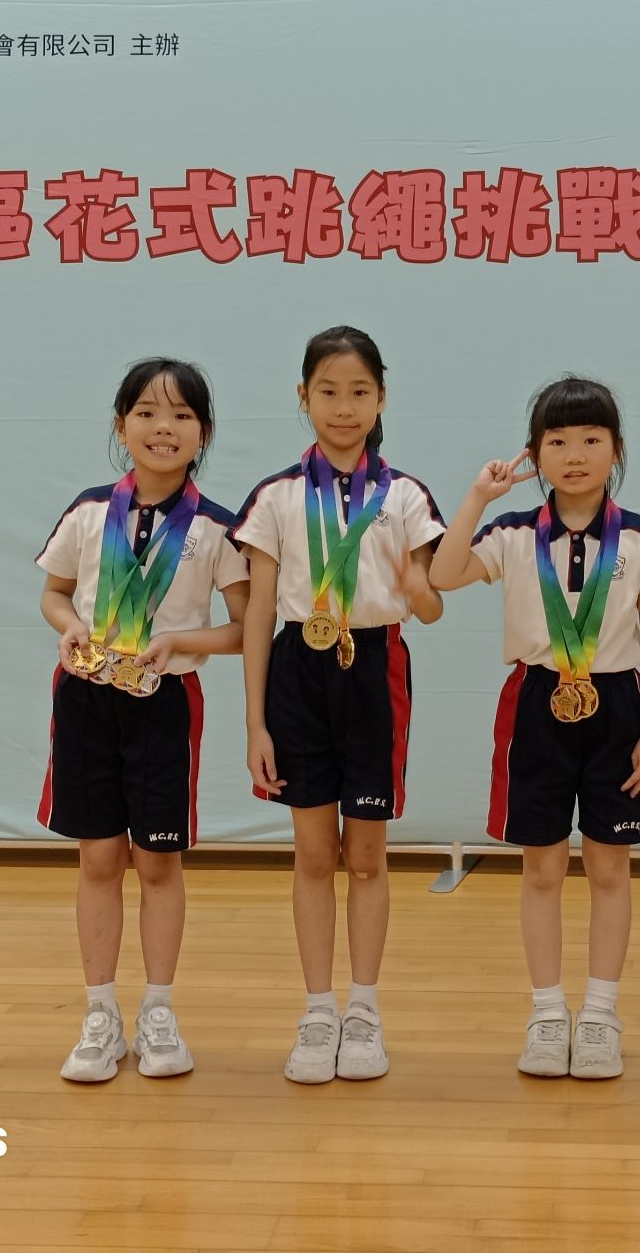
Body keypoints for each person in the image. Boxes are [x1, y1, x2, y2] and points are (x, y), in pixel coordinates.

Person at [429, 376, 640, 1080]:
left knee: (609, 867)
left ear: (616, 449)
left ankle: (599, 1014)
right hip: (536, 705)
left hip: (618, 707)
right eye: (557, 441)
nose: (574, 454)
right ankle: (545, 1012)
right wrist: (479, 496)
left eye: (591, 439)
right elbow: (443, 574)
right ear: (534, 453)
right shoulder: (512, 533)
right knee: (540, 868)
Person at [234, 326, 445, 1084]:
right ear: (303, 397)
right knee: (313, 852)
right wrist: (255, 722)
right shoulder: (276, 497)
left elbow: (429, 606)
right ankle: (318, 1009)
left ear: (381, 398)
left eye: (359, 392)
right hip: (298, 669)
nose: (344, 407)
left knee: (366, 854)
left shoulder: (406, 497)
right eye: (328, 391)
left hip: (375, 669)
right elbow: (259, 613)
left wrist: (420, 588)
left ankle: (364, 1009)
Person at [36, 357, 250, 1083]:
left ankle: (159, 1012)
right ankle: (100, 1016)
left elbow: (244, 629)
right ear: (121, 424)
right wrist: (69, 626)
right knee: (99, 859)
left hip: (165, 702)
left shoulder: (217, 529)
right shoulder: (88, 512)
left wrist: (182, 641)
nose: (165, 427)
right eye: (148, 413)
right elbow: (55, 594)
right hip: (86, 697)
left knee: (158, 861)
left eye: (182, 415)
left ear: (204, 433)